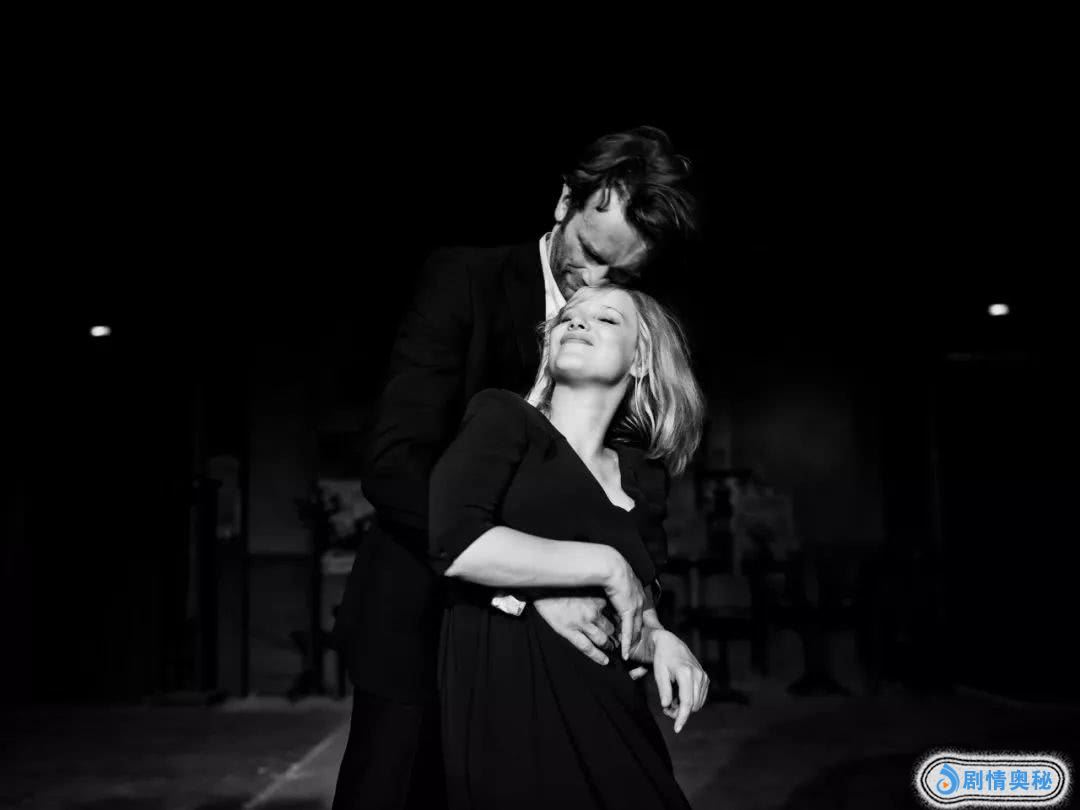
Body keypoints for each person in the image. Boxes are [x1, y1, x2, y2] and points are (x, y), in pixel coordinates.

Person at [331, 125, 701, 809]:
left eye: (622, 275)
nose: (595, 284)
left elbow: (626, 521)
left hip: (540, 670)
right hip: (421, 620)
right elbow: (394, 464)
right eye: (591, 254)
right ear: (564, 202)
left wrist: (653, 630)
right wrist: (535, 583)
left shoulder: (626, 342)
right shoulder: (465, 281)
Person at [431, 285, 708, 809]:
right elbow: (456, 544)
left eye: (606, 319)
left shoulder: (642, 475)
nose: (577, 322)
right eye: (568, 317)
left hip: (611, 709)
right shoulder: (503, 418)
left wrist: (661, 640)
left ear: (641, 360)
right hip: (510, 706)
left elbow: (638, 608)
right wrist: (606, 565)